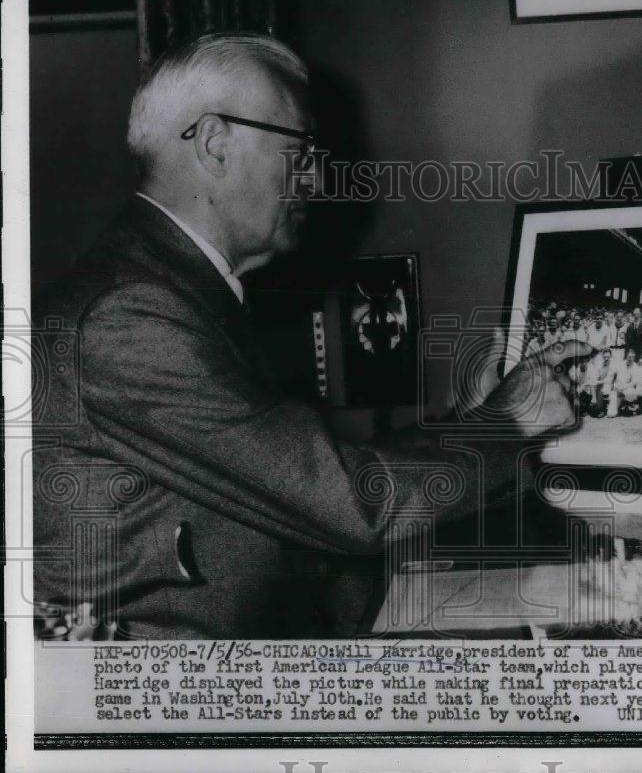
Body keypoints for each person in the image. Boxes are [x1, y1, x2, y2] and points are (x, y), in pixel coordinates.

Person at [31, 34, 590, 640]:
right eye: (299, 149)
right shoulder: (128, 317)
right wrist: (507, 425)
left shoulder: (166, 287)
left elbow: (300, 476)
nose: (317, 176)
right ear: (216, 144)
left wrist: (472, 421)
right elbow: (347, 504)